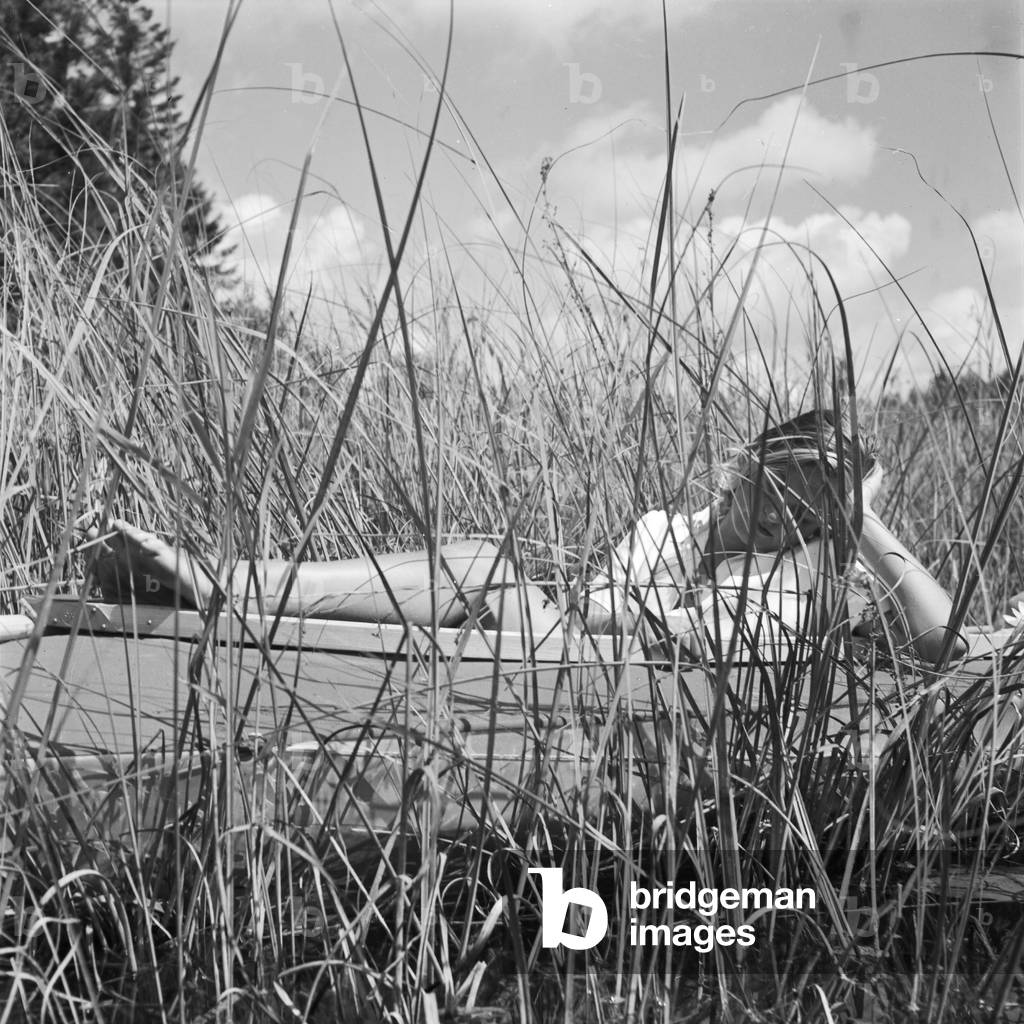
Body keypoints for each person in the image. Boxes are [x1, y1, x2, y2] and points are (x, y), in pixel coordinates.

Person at [85, 409, 967, 666]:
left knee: (483, 565)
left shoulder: (807, 578)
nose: (784, 516)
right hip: (574, 662)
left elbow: (943, 642)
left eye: (812, 510)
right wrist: (636, 615)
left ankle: (219, 582)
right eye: (780, 487)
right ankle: (218, 590)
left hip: (613, 689)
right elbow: (599, 609)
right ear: (745, 468)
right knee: (470, 572)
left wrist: (860, 522)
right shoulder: (671, 527)